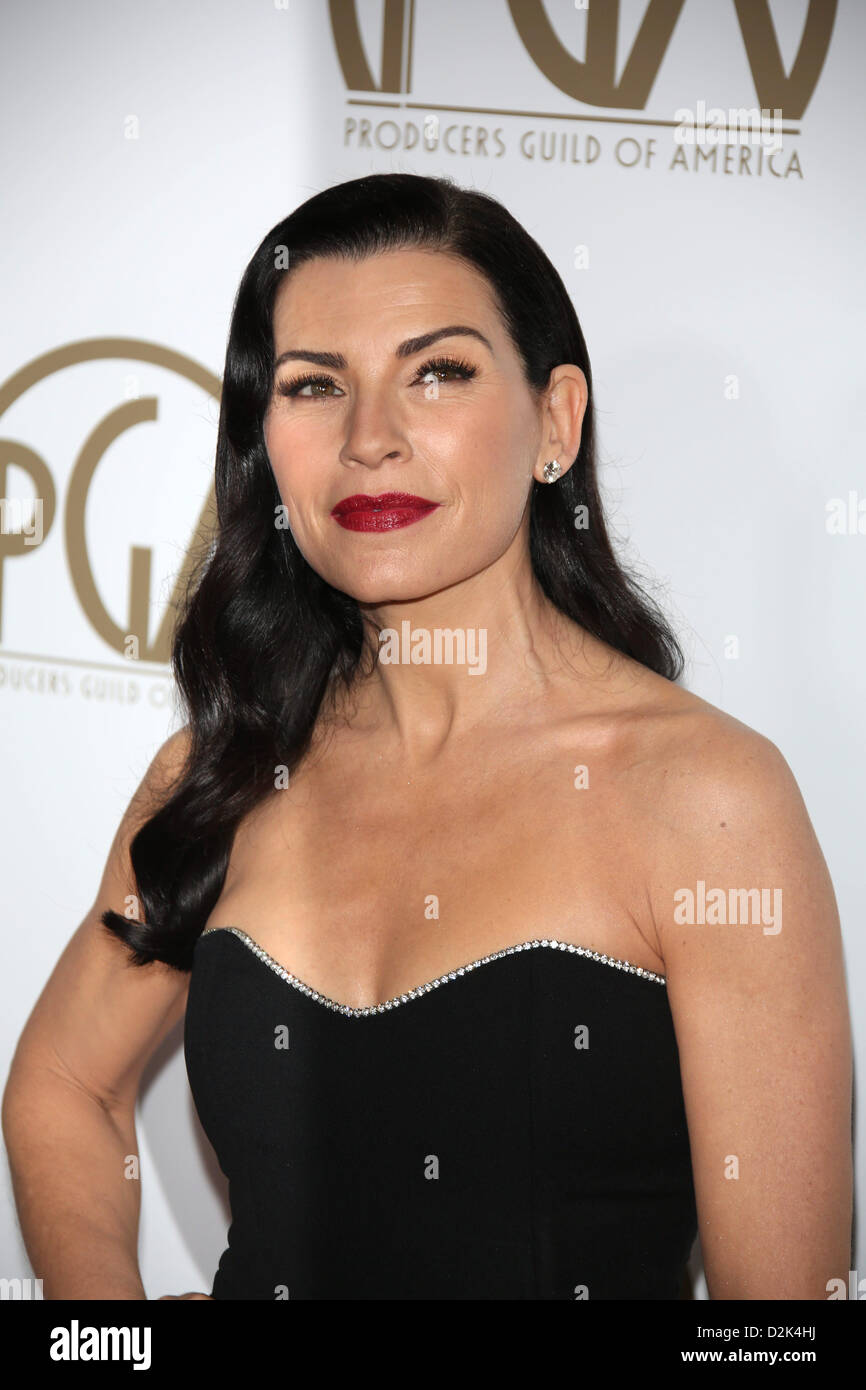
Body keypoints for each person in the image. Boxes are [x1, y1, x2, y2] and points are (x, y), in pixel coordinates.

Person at [2, 174, 852, 1300]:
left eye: (436, 372)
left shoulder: (705, 797)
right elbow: (62, 1080)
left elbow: (779, 1324)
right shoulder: (222, 774)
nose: (369, 440)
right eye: (315, 386)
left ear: (554, 421)